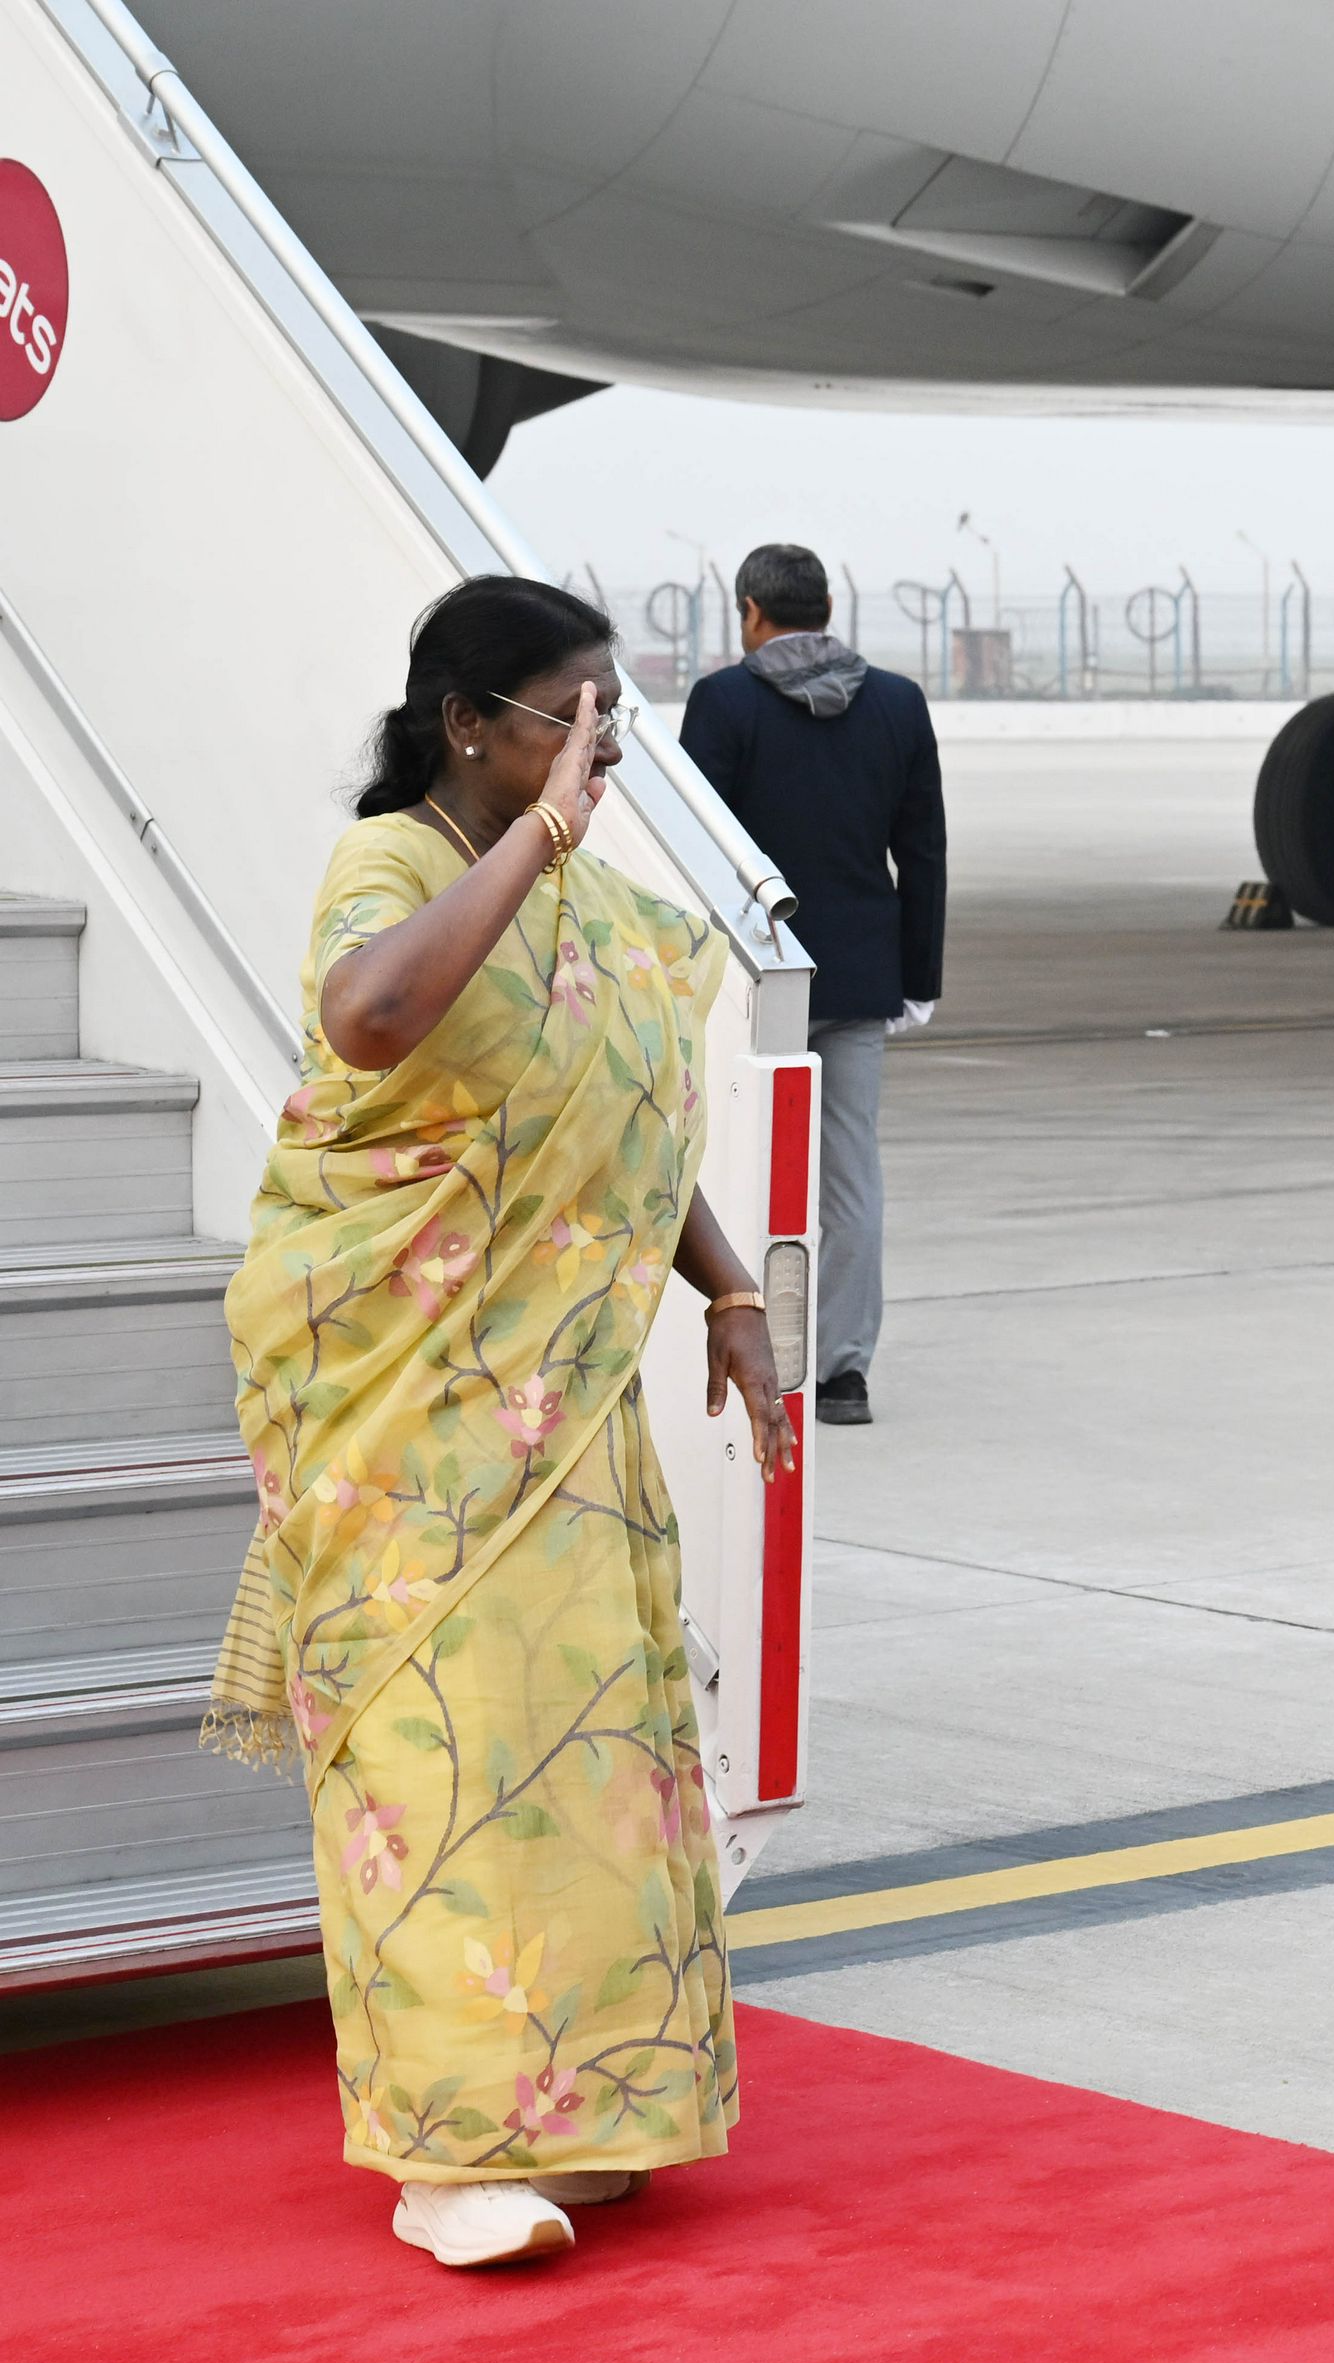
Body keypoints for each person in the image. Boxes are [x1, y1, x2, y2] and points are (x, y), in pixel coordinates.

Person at [210, 574, 794, 2270]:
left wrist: (731, 1293)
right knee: (434, 1766)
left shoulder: (582, 900)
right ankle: (443, 2153)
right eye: (574, 713)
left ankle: (585, 2107)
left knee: (578, 1761)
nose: (603, 744)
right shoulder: (396, 866)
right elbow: (370, 1020)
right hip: (406, 1427)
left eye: (616, 712)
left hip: (558, 1415)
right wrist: (538, 841)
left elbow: (610, 1120)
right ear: (473, 724)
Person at [680, 541, 947, 1427]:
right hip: (862, 977)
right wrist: (918, 978)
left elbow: (700, 852)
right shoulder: (899, 703)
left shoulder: (723, 703)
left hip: (758, 976)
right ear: (828, 609)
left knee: (734, 1161)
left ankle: (738, 1343)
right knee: (851, 1180)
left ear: (751, 612)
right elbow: (923, 851)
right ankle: (842, 1374)